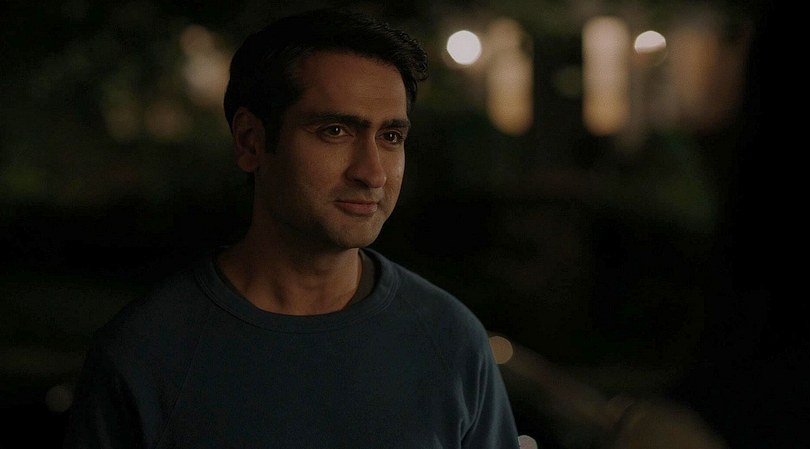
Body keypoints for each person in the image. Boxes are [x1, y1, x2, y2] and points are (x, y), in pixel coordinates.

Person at [62, 7, 520, 449]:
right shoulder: (146, 352)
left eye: (391, 137)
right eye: (335, 131)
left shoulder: (450, 340)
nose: (373, 172)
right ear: (250, 141)